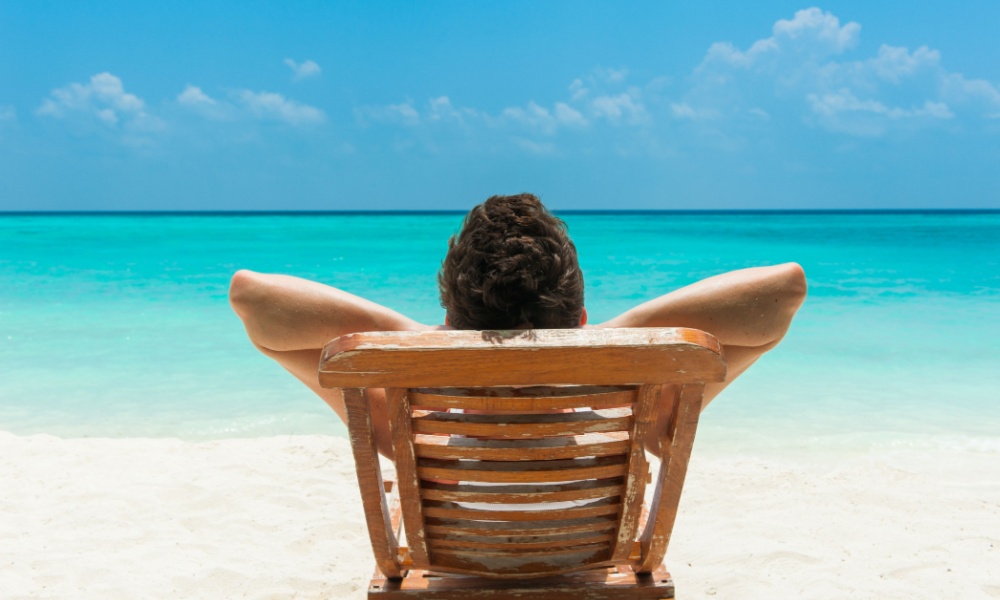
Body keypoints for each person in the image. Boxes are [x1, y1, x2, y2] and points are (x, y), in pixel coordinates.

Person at [229, 194, 807, 457]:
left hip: (455, 569)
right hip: (586, 569)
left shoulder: (404, 416)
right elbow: (785, 290)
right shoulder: (636, 410)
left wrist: (426, 343)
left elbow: (253, 299)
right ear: (579, 318)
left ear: (450, 318)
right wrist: (611, 336)